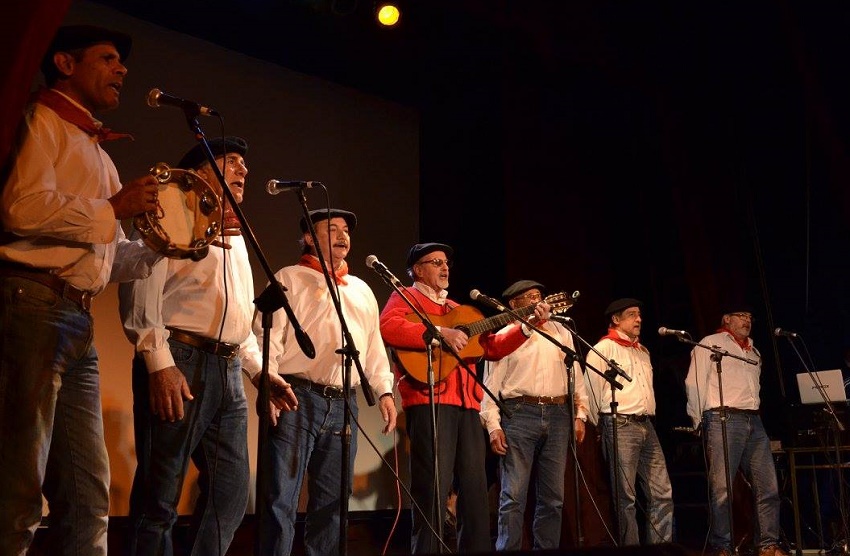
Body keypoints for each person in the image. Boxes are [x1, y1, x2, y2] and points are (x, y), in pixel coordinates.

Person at [0, 24, 164, 555]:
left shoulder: (101, 155)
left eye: (122, 62)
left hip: (76, 321)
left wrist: (167, 246)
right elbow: (19, 209)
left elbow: (110, 257)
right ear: (66, 64)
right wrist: (114, 209)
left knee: (88, 494)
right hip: (33, 304)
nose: (121, 70)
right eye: (108, 58)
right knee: (19, 481)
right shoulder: (42, 120)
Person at [118, 136, 298, 555]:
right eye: (231, 162)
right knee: (159, 498)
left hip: (229, 371)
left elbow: (239, 318)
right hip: (179, 359)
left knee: (231, 495)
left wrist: (259, 370)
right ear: (200, 174)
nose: (244, 171)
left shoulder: (234, 233)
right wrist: (158, 361)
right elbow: (138, 289)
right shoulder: (169, 210)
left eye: (243, 165)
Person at [255, 207, 397, 556]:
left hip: (343, 401)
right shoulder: (289, 277)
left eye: (346, 229)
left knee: (333, 499)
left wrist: (385, 391)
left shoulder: (360, 289)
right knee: (281, 497)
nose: (342, 235)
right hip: (295, 395)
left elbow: (374, 347)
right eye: (331, 229)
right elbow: (265, 338)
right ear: (307, 237)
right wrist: (268, 385)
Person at [379, 242, 492, 554]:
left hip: (467, 403)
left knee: (474, 489)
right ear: (418, 270)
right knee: (433, 488)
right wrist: (440, 333)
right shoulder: (406, 296)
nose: (445, 268)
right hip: (430, 400)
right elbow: (389, 326)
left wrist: (524, 328)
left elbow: (489, 346)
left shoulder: (458, 308)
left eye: (446, 263)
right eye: (436, 262)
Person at [479, 279, 590, 550]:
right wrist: (493, 425)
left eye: (539, 295)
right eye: (529, 297)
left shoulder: (561, 332)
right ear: (513, 305)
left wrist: (580, 414)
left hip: (558, 413)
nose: (538, 300)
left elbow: (576, 375)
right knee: (513, 495)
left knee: (553, 497)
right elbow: (490, 387)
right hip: (519, 414)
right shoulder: (506, 335)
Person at [685, 306, 788, 556]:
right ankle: (723, 546)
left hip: (754, 420)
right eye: (741, 316)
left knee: (768, 486)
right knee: (723, 488)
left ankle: (767, 545)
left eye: (750, 317)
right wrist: (697, 419)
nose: (747, 321)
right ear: (726, 319)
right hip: (723, 417)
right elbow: (694, 381)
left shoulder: (754, 350)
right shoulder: (711, 343)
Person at [585, 298, 674, 546]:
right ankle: (632, 550)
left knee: (661, 492)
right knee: (626, 497)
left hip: (646, 425)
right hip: (620, 424)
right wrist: (600, 426)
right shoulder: (603, 349)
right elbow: (591, 390)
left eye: (639, 314)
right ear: (616, 319)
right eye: (632, 314)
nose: (639, 319)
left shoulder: (643, 351)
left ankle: (661, 549)